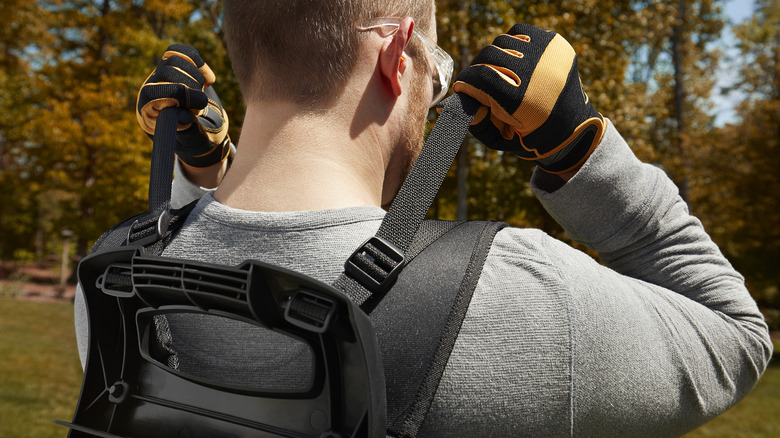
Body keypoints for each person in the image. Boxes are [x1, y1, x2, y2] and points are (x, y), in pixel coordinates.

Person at [75, 0, 772, 436]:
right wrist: (581, 149)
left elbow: (243, 286)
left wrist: (206, 178)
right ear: (396, 55)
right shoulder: (526, 298)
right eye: (433, 72)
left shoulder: (110, 287)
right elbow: (735, 336)